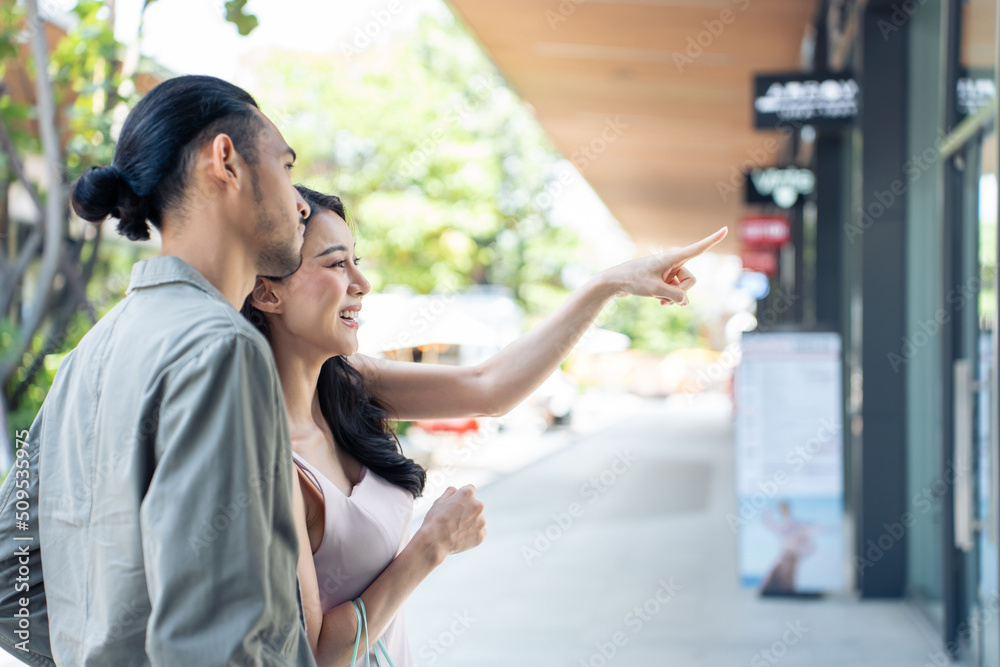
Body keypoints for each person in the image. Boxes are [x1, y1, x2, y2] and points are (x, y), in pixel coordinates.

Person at [242, 185, 726, 665]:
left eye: (356, 261)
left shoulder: (349, 383)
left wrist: (609, 283)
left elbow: (489, 386)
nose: (361, 283)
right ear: (267, 292)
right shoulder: (266, 458)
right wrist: (430, 545)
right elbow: (317, 654)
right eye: (334, 264)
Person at [0, 75, 317, 666]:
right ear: (226, 160)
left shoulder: (87, 356)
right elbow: (218, 647)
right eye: (285, 164)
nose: (302, 201)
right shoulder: (222, 347)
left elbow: (7, 578)